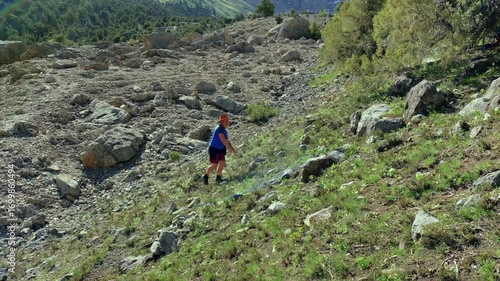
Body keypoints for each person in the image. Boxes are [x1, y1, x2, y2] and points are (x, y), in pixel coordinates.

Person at [203, 114, 237, 185]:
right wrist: (229, 148)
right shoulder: (219, 129)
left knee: (222, 162)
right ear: (222, 121)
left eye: (227, 121)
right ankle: (206, 176)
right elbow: (224, 141)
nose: (227, 122)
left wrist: (233, 149)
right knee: (214, 165)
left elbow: (227, 141)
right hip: (214, 148)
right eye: (226, 121)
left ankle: (218, 177)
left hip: (221, 148)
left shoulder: (224, 131)